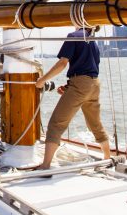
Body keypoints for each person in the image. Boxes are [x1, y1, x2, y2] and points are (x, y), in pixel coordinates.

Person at [34, 27, 111, 169]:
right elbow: (89, 68)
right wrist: (69, 86)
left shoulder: (74, 36)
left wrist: (42, 80)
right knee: (95, 124)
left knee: (56, 124)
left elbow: (63, 63)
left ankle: (45, 165)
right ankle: (107, 158)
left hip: (81, 85)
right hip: (94, 85)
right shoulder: (93, 42)